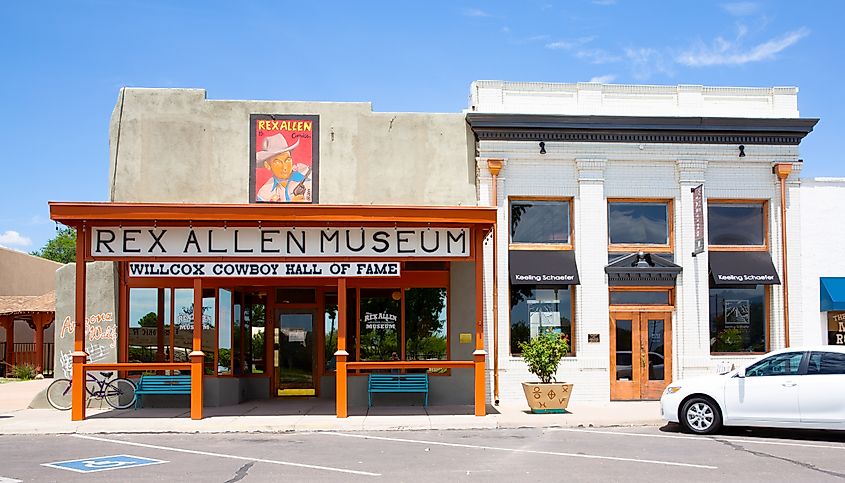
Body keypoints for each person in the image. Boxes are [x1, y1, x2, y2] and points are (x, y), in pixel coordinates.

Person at [255, 133, 312, 202]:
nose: (285, 167)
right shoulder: (264, 193)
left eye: (287, 160)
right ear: (267, 165)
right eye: (278, 162)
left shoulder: (309, 177)